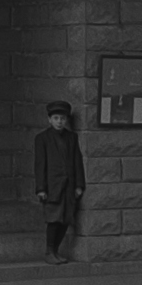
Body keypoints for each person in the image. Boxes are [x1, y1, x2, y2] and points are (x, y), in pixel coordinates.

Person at [34, 99, 86, 261]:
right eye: (56, 118)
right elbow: (40, 165)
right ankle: (49, 251)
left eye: (62, 119)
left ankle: (56, 250)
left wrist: (79, 185)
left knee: (66, 219)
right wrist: (41, 188)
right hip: (52, 187)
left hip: (69, 186)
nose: (59, 122)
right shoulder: (42, 138)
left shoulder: (71, 137)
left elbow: (78, 161)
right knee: (54, 219)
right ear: (49, 120)